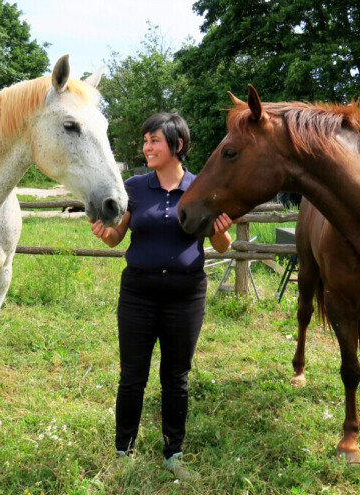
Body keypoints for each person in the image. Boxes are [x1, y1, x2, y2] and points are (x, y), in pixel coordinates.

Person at [90, 112, 232, 481]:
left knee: (176, 377)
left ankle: (174, 453)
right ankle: (123, 452)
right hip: (138, 292)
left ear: (177, 145)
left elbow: (221, 244)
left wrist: (221, 230)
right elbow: (116, 237)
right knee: (132, 375)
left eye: (154, 140)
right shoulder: (134, 187)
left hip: (186, 295)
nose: (146, 147)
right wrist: (102, 233)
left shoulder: (202, 187)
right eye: (145, 140)